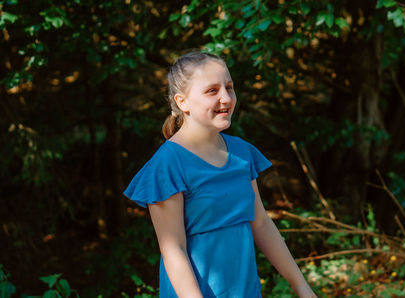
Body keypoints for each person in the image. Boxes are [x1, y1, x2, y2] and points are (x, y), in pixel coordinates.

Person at [123, 51, 316, 297]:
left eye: (229, 87)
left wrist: (301, 286)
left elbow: (262, 225)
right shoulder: (168, 164)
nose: (226, 98)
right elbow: (174, 250)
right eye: (212, 91)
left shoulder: (242, 152)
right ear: (182, 102)